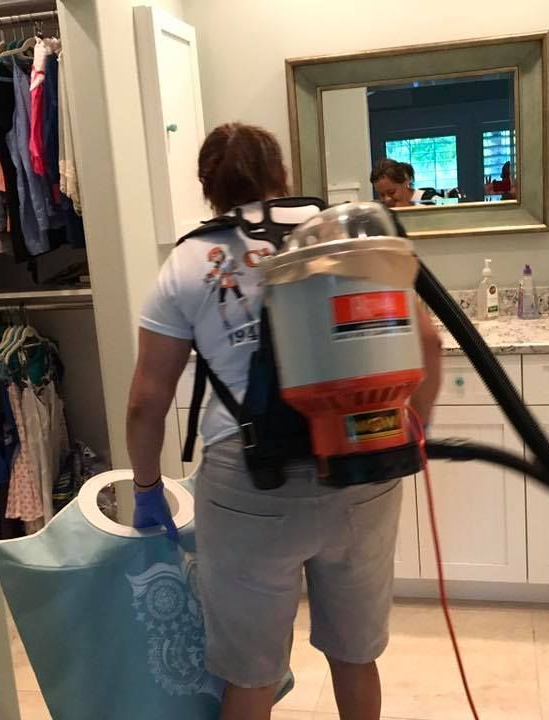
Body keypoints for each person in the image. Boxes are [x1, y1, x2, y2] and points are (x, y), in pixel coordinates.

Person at [126, 122, 442, 720]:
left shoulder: (189, 262)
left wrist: (146, 489)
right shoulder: (347, 234)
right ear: (282, 175)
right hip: (360, 468)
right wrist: (408, 439)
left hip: (248, 483)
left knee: (250, 675)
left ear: (208, 187)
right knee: (355, 656)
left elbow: (147, 398)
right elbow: (427, 347)